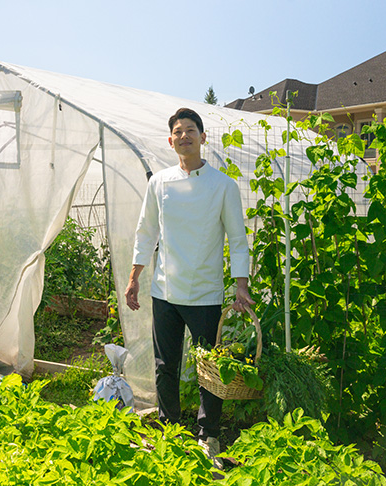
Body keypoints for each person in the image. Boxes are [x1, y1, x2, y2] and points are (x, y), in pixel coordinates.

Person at [124, 107, 254, 469]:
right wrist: (135, 277)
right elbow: (145, 232)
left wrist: (241, 285)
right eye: (178, 132)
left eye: (191, 130)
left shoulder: (223, 185)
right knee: (166, 365)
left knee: (208, 369)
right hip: (164, 289)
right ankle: (169, 430)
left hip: (204, 293)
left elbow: (238, 240)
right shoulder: (159, 182)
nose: (184, 136)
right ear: (170, 140)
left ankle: (208, 434)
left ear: (203, 137)